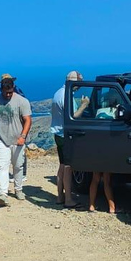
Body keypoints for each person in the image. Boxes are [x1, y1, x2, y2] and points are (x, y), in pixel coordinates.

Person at [0, 74, 32, 206]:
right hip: (0, 137)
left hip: (17, 138)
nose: (8, 95)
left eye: (10, 92)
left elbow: (28, 120)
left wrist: (23, 136)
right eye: (6, 93)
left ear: (13, 88)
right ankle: (3, 193)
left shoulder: (22, 101)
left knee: (18, 166)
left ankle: (18, 189)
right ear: (1, 90)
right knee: (2, 165)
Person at [50, 71, 89, 207]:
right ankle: (68, 200)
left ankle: (60, 196)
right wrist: (84, 105)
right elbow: (73, 116)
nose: (79, 86)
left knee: (62, 166)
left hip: (58, 134)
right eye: (78, 82)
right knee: (68, 167)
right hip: (65, 135)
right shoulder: (67, 96)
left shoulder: (58, 93)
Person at [89, 89, 118, 214]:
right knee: (107, 180)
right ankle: (112, 207)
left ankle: (91, 205)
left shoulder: (99, 112)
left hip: (96, 147)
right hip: (108, 148)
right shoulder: (116, 112)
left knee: (95, 178)